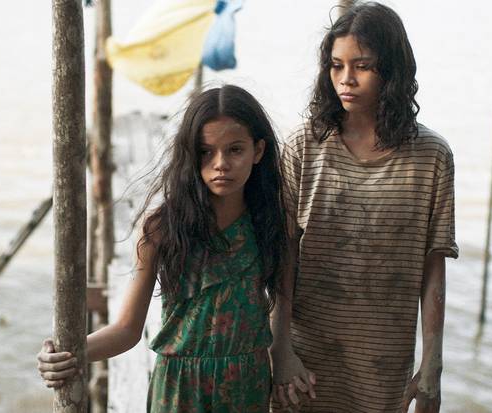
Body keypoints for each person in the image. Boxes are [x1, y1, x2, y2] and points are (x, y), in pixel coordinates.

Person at [36, 84, 289, 412]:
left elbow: (284, 303)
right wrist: (66, 353)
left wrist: (286, 362)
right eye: (206, 151)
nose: (221, 163)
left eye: (235, 150)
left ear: (258, 151)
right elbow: (127, 330)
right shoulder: (163, 228)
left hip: (246, 384)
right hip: (178, 387)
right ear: (189, 154)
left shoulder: (272, 221)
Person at [270, 2, 458, 412]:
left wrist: (432, 367)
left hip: (383, 362)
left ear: (391, 69)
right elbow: (282, 256)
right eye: (336, 66)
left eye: (362, 65)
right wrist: (280, 350)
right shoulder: (304, 146)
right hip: (306, 358)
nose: (346, 79)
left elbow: (433, 267)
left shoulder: (432, 156)